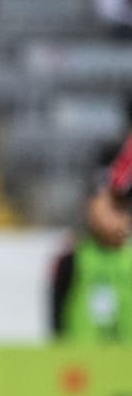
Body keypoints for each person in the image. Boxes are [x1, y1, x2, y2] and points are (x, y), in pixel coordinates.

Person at [51, 133, 132, 341]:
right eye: (117, 208)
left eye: (123, 209)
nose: (121, 220)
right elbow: (56, 318)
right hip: (83, 363)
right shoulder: (72, 258)